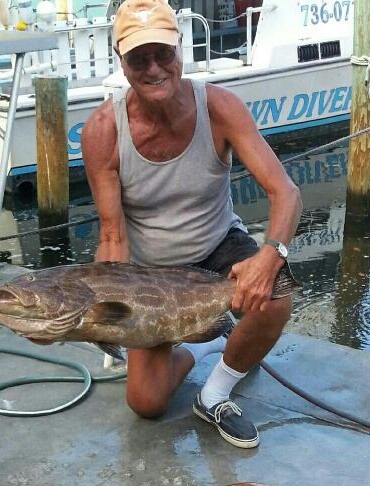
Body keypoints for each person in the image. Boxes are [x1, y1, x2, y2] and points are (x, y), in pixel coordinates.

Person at [81, 0, 302, 448]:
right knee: (147, 403)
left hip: (217, 244)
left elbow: (287, 193)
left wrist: (269, 255)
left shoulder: (219, 107)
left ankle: (216, 392)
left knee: (277, 293)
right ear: (121, 63)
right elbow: (112, 234)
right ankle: (201, 344)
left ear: (181, 48)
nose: (154, 67)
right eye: (138, 58)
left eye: (163, 53)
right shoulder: (102, 129)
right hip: (152, 273)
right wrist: (108, 311)